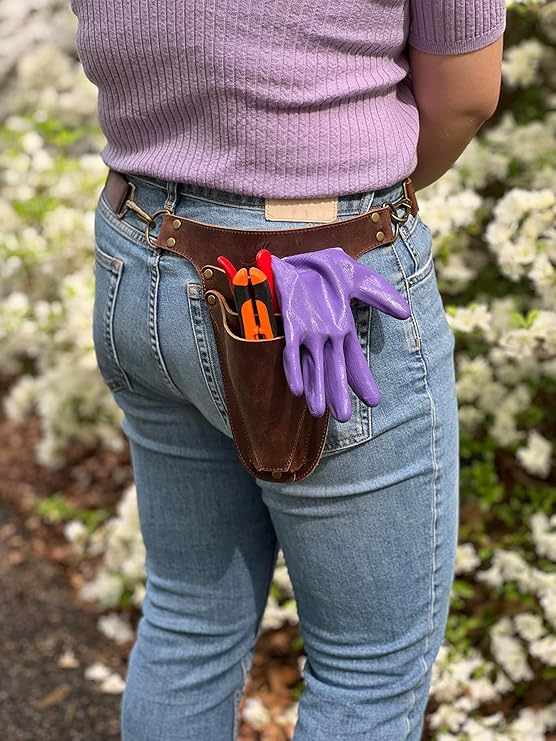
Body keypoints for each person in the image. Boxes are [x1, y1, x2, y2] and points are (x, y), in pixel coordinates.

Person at [70, 1, 505, 739]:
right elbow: (463, 94)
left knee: (188, 619)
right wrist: (354, 200)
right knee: (369, 670)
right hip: (316, 277)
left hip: (140, 247)